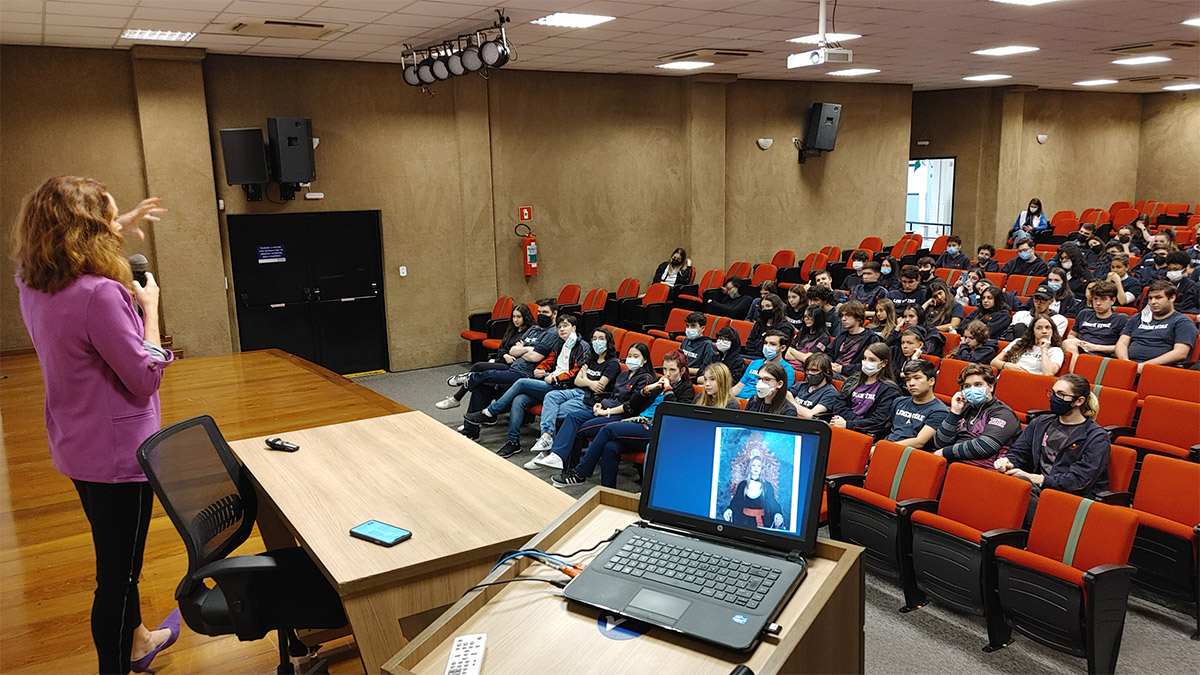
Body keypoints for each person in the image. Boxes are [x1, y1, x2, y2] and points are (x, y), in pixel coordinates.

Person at [14, 176, 181, 674]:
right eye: (109, 218)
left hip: (77, 446)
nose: (119, 226)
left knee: (116, 561)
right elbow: (144, 376)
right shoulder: (101, 295)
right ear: (87, 229)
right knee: (119, 576)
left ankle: (140, 640)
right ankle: (118, 663)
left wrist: (121, 220)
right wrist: (149, 310)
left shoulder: (31, 279)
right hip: (120, 457)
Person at [552, 351, 694, 488]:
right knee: (610, 447)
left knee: (608, 429)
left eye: (672, 370)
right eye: (664, 369)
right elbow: (633, 403)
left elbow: (676, 412)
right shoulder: (658, 383)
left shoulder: (686, 388)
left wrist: (668, 388)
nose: (667, 374)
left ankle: (580, 473)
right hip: (638, 421)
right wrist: (646, 389)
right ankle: (608, 492)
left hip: (657, 429)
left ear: (681, 371)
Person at [464, 314, 588, 456]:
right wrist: (540, 368)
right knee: (519, 399)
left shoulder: (583, 347)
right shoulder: (559, 344)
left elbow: (577, 372)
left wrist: (555, 378)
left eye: (565, 326)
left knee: (521, 382)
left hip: (564, 387)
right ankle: (513, 442)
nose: (562, 329)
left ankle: (491, 411)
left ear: (574, 328)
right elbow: (549, 360)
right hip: (549, 381)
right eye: (559, 327)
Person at [996, 374, 1110, 525]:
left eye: (1061, 395)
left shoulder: (1096, 437)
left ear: (1079, 401)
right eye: (1053, 393)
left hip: (1070, 498)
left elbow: (1079, 481)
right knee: (1003, 482)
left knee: (1018, 488)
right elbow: (1019, 451)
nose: (1054, 398)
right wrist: (1008, 462)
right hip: (1039, 492)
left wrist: (1037, 479)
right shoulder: (1041, 423)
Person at [527, 342, 655, 470]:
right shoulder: (624, 374)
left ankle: (573, 470)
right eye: (630, 355)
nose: (632, 359)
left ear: (644, 360)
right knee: (573, 417)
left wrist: (606, 411)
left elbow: (631, 406)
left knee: (580, 429)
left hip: (620, 415)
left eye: (636, 356)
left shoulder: (645, 378)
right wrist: (600, 404)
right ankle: (557, 456)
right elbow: (613, 395)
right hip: (604, 408)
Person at [460, 298, 560, 440]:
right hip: (513, 369)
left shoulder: (553, 333)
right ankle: (470, 432)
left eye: (545, 312)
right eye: (539, 312)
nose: (541, 315)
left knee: (485, 373)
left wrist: (523, 350)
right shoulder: (533, 329)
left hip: (526, 375)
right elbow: (512, 350)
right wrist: (527, 349)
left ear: (554, 313)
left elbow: (535, 357)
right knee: (481, 387)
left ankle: (468, 383)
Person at [526, 327, 620, 457]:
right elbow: (577, 381)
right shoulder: (591, 358)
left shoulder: (612, 364)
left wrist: (585, 379)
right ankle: (546, 437)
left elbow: (599, 387)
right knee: (551, 396)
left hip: (590, 399)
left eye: (601, 339)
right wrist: (588, 382)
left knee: (555, 411)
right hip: (577, 390)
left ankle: (548, 451)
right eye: (594, 339)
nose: (597, 342)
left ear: (608, 342)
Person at [437, 303, 534, 409]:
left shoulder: (530, 333)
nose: (516, 320)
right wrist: (506, 354)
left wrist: (512, 353)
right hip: (503, 361)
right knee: (479, 378)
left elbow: (526, 354)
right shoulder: (511, 330)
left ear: (525, 317)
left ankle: (456, 398)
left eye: (519, 317)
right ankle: (467, 414)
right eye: (514, 317)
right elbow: (501, 348)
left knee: (478, 367)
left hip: (514, 367)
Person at [931, 364, 1021, 469]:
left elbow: (985, 446)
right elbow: (939, 443)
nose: (972, 389)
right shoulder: (963, 407)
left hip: (982, 471)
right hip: (952, 464)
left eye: (978, 385)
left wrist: (944, 452)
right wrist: (954, 412)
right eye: (967, 386)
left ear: (990, 387)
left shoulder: (1003, 413)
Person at [1116, 280, 1199, 371]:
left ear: (1172, 298)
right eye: (1150, 298)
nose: (1153, 302)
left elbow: (1180, 353)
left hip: (1160, 370)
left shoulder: (1182, 322)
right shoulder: (1137, 318)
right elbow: (1121, 343)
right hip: (1129, 366)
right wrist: (1125, 362)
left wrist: (1144, 366)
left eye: (1158, 297)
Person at [829, 343, 902, 439]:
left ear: (884, 363)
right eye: (864, 358)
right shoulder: (853, 380)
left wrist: (849, 424)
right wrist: (847, 422)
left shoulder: (890, 390)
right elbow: (839, 405)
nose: (866, 362)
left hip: (865, 434)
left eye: (872, 360)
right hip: (842, 425)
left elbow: (879, 421)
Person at [885, 360, 951, 449]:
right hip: (885, 446)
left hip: (907, 454)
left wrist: (884, 448)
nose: (911, 383)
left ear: (931, 381)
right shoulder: (899, 402)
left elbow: (919, 442)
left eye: (917, 378)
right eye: (908, 379)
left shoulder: (940, 411)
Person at [1063, 281, 1127, 358]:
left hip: (1101, 355)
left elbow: (1124, 347)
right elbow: (1071, 335)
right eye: (1095, 299)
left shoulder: (1121, 319)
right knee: (1067, 343)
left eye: (1103, 299)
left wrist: (1094, 347)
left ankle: (1075, 368)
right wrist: (1078, 342)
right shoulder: (1084, 313)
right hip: (1079, 350)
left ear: (1113, 300)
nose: (1098, 303)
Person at [723, 454, 784, 529]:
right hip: (743, 521)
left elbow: (772, 503)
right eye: (753, 465)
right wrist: (729, 510)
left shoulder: (767, 486)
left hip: (762, 522)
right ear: (750, 468)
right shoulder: (742, 485)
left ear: (762, 468)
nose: (756, 468)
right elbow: (736, 501)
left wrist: (778, 514)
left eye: (759, 466)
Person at [994, 315, 1064, 376]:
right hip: (1008, 377)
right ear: (1033, 331)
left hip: (1030, 383)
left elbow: (1048, 373)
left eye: (1047, 327)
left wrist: (1044, 349)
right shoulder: (1019, 342)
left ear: (1052, 331)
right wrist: (1007, 365)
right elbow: (994, 362)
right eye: (1039, 328)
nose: (1044, 331)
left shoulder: (1056, 350)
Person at [733, 330, 796, 399]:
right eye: (765, 343)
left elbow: (779, 395)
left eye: (773, 344)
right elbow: (739, 386)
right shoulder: (755, 363)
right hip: (738, 399)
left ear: (782, 348)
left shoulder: (786, 369)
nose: (767, 346)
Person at [829, 301, 883, 378]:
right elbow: (828, 352)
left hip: (853, 377)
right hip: (834, 371)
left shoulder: (871, 338)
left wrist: (843, 369)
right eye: (842, 316)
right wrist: (829, 363)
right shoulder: (842, 335)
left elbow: (870, 365)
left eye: (848, 315)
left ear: (858, 317)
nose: (843, 319)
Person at [787, 352, 840, 419]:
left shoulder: (830, 393)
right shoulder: (800, 385)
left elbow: (811, 415)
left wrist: (792, 402)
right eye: (807, 370)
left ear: (827, 372)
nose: (809, 373)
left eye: (814, 370)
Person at [679, 311, 717, 378]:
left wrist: (684, 370)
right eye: (688, 326)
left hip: (693, 378)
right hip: (680, 374)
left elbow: (706, 370)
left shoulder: (707, 345)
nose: (689, 329)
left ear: (702, 328)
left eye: (693, 326)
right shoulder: (685, 341)